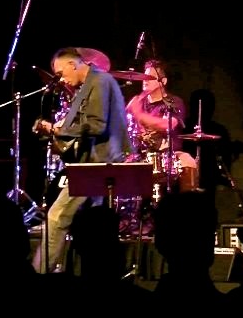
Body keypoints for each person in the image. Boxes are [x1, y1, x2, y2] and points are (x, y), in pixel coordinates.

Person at [33, 47, 131, 273]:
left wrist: (59, 130)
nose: (61, 79)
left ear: (73, 64)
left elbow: (96, 125)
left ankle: (39, 273)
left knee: (57, 216)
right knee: (89, 226)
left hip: (99, 164)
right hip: (94, 161)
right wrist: (57, 130)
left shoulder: (100, 81)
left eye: (60, 73)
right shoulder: (91, 84)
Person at [124, 59, 197, 193]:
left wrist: (139, 115)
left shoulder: (174, 102)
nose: (145, 80)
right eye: (144, 76)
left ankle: (188, 201)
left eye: (150, 77)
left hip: (169, 155)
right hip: (142, 155)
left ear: (163, 81)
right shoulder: (137, 102)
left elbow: (167, 125)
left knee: (188, 161)